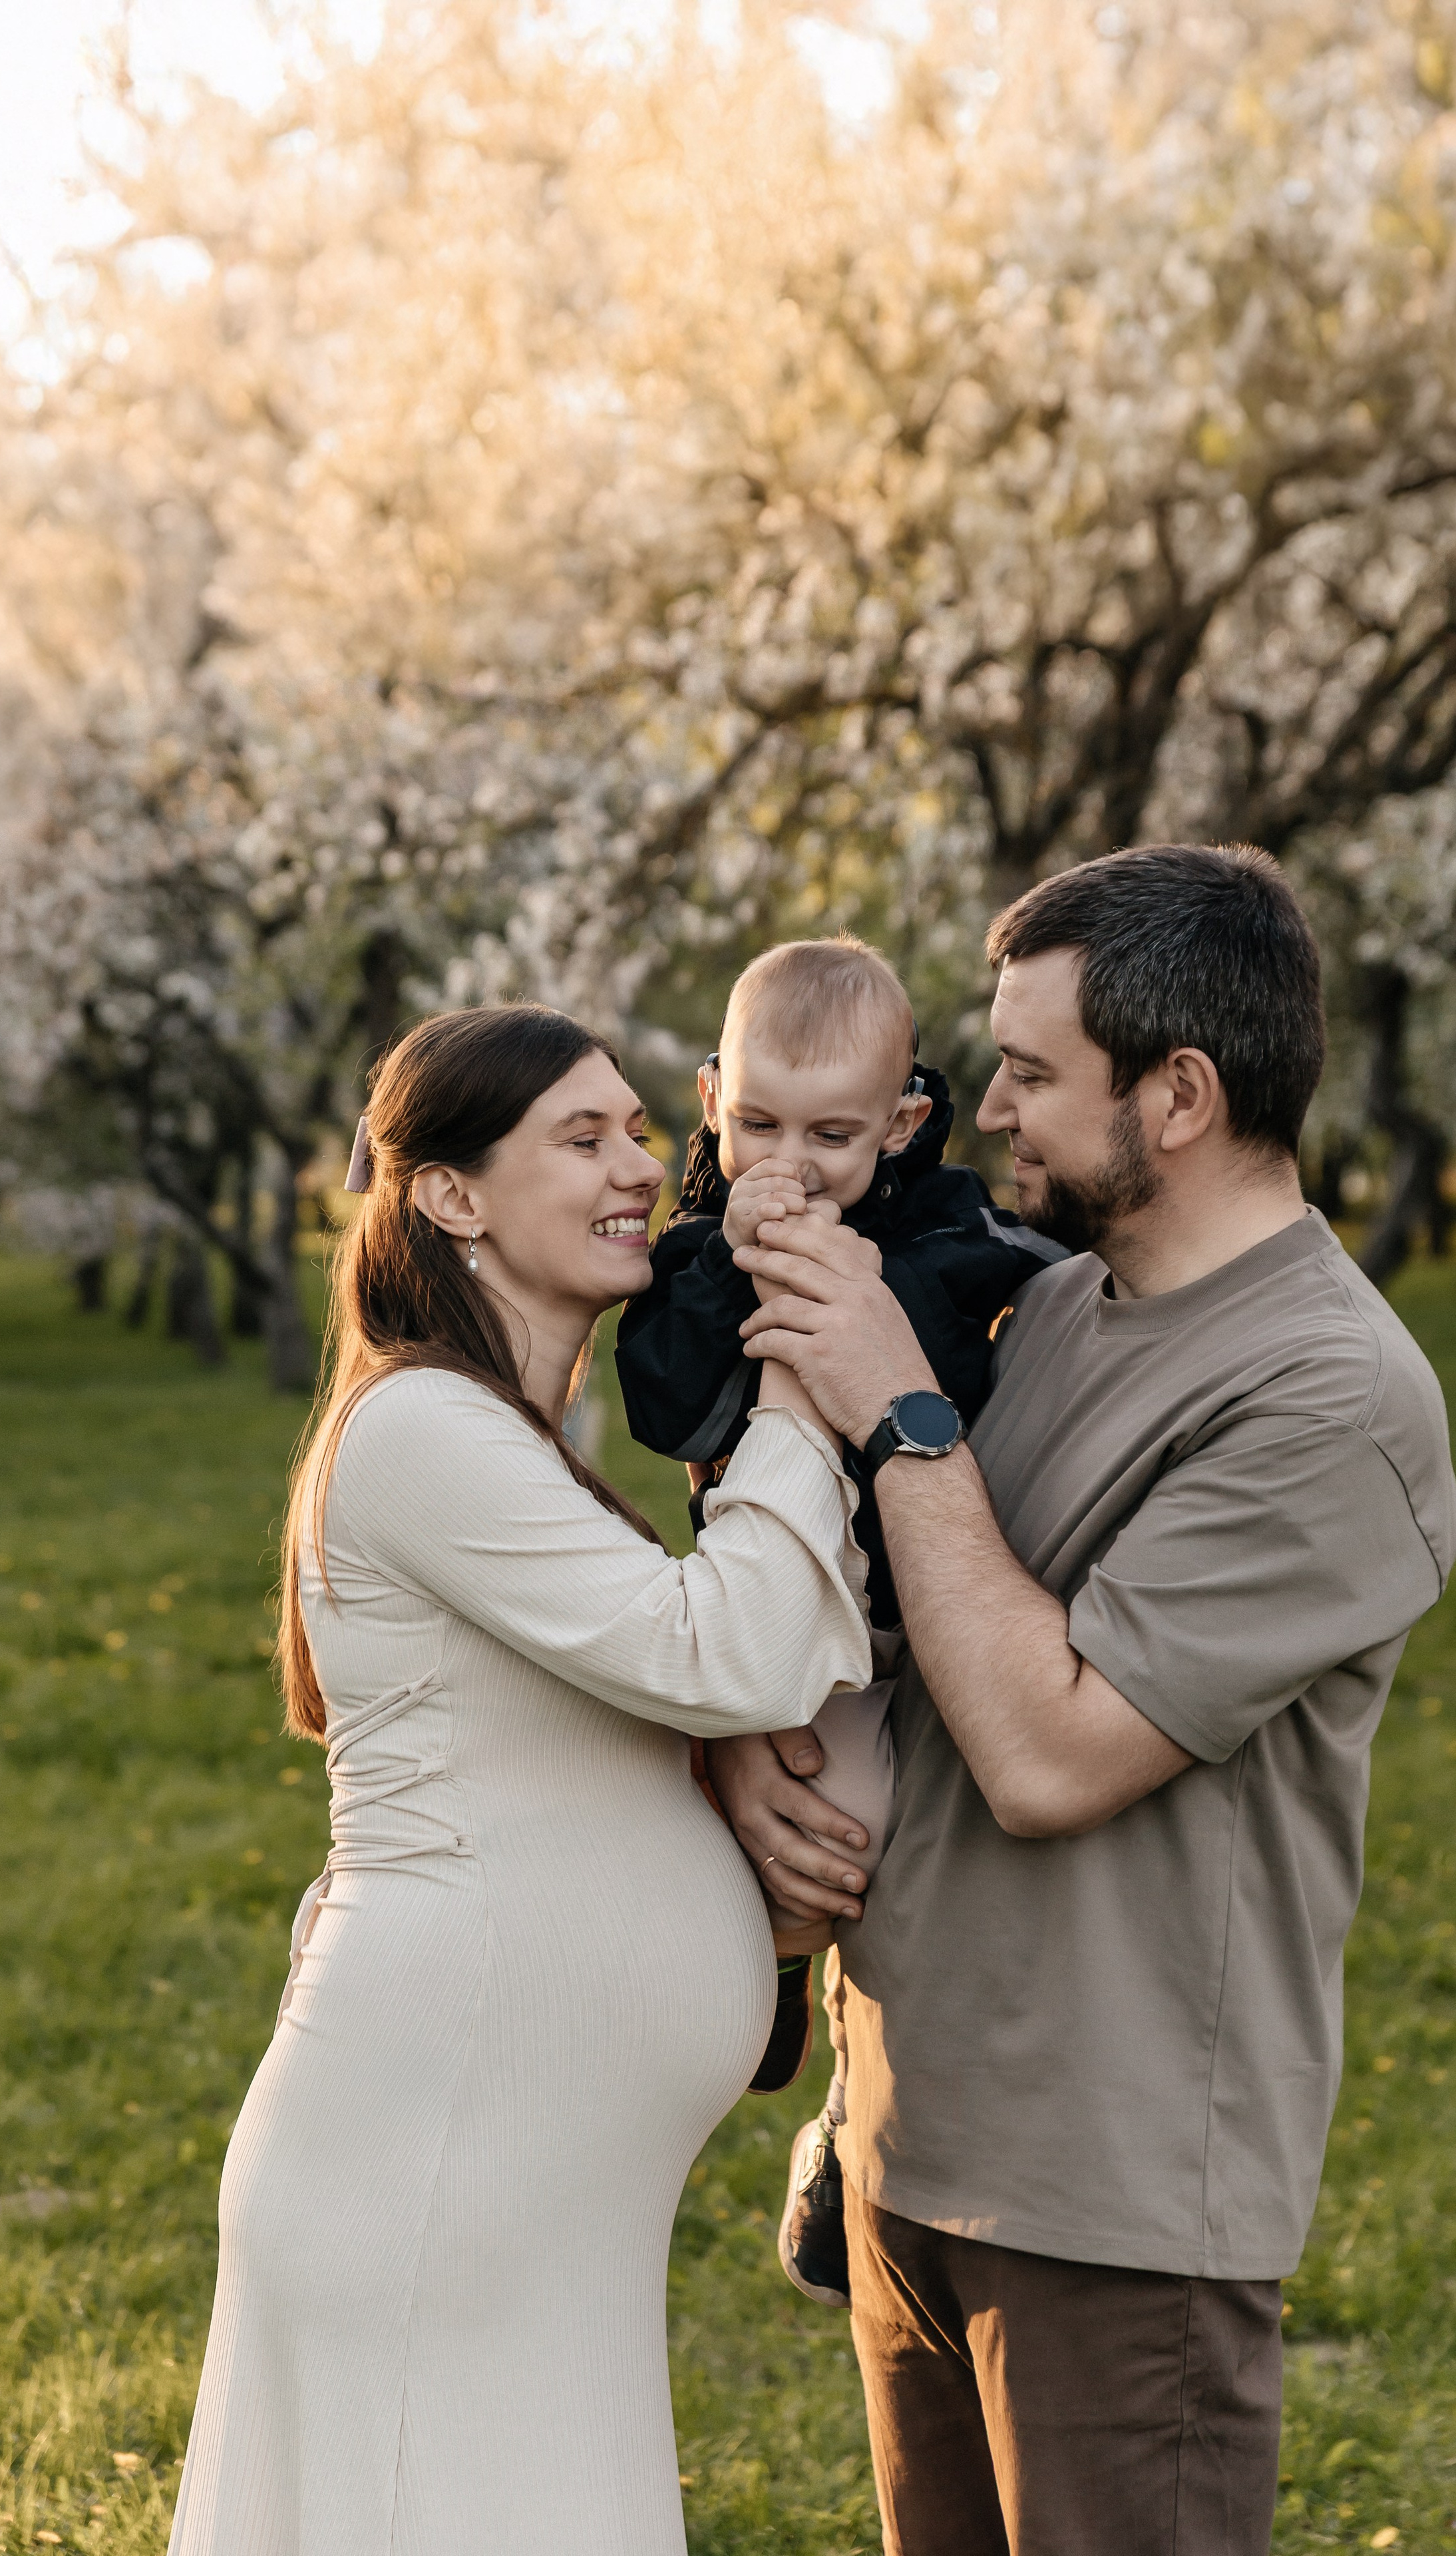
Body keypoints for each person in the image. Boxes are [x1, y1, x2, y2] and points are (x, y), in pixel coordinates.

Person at [709, 845, 1456, 2556]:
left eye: (1033, 1072)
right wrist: (746, 1765)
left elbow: (1047, 1752)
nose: (988, 1109)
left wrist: (899, 1409)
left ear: (1176, 1094)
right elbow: (906, 1632)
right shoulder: (1052, 1308)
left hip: (1114, 2224)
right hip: (911, 2142)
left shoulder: (1326, 1397)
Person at [166, 1002, 873, 2556]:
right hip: (433, 2168)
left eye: (637, 1129)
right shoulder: (421, 1427)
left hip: (523, 2194)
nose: (642, 1166)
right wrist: (805, 1394)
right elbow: (729, 1651)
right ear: (450, 1196)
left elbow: (619, 1718)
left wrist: (725, 1792)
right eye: (584, 1136)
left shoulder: (522, 1441)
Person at [615, 935, 1059, 2298]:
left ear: (904, 1121)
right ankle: (752, 2004)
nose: (789, 1164)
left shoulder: (942, 1228)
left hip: (886, 1622)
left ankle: (830, 2109)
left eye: (830, 1134)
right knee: (728, 1833)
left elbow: (1025, 1303)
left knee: (843, 1834)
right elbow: (666, 1409)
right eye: (754, 1125)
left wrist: (866, 1303)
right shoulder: (697, 1241)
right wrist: (725, 1275)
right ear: (710, 1102)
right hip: (759, 1599)